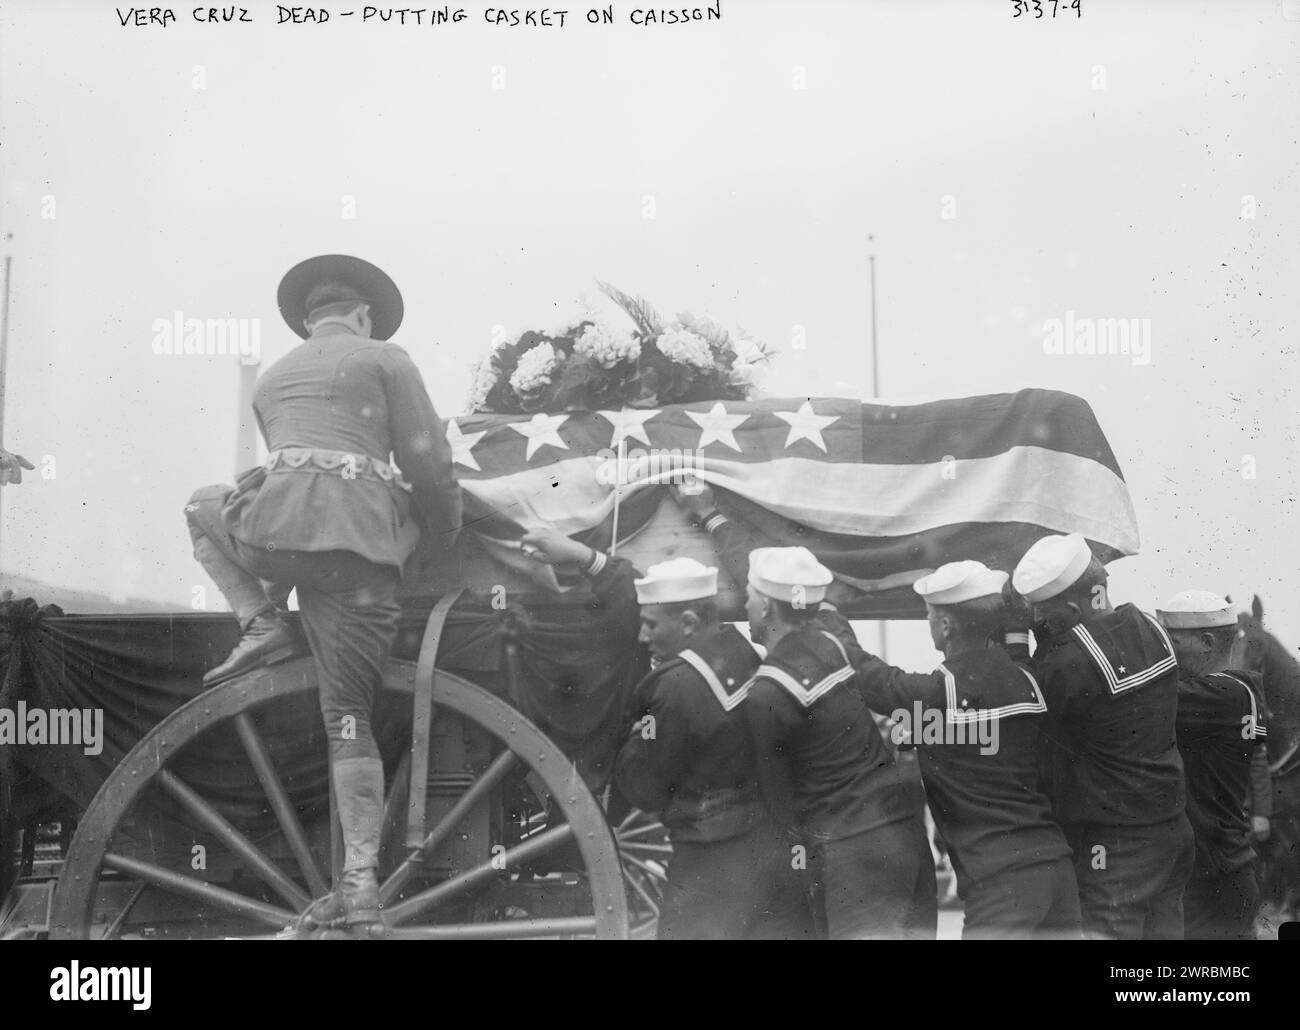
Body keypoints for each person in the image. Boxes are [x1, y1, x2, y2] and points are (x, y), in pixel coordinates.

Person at [183, 254, 461, 933]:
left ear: (309, 320)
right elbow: (428, 464)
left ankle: (258, 620)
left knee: (199, 506)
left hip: (273, 539)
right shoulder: (386, 359)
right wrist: (438, 533)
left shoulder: (272, 379)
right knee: (349, 717)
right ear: (363, 315)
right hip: (355, 555)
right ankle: (361, 881)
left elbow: (299, 466)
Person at [851, 560, 1081, 938]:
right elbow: (1016, 645)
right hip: (1056, 870)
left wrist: (826, 617)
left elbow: (871, 678)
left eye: (929, 615)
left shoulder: (940, 693)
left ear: (944, 626)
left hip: (1001, 886)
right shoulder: (1026, 676)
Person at [610, 555, 810, 939]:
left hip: (708, 861)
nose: (642, 637)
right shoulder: (744, 653)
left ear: (688, 623)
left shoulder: (672, 689)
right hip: (769, 848)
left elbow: (644, 789)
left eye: (650, 625)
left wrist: (635, 738)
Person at [742, 546, 931, 939]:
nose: (744, 605)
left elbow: (779, 805)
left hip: (854, 854)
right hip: (902, 834)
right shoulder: (835, 643)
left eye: (748, 596)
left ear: (764, 608)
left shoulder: (767, 692)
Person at [1012, 533, 1193, 940]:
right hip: (1172, 828)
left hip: (1116, 846)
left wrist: (1018, 646)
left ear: (1074, 609)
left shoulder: (1072, 662)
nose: (1038, 621)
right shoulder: (1152, 628)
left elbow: (1025, 705)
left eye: (1043, 614)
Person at [1157, 590, 1269, 940]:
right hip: (1226, 869)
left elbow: (1138, 697)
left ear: (1206, 642)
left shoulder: (1219, 695)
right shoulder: (1237, 690)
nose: (1167, 651)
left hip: (1212, 878)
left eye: (1173, 641)